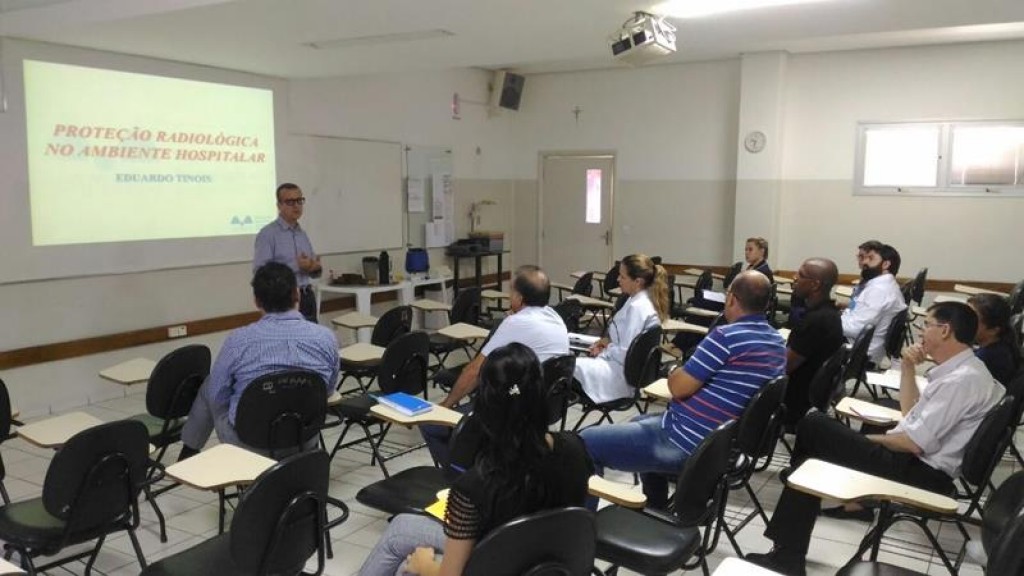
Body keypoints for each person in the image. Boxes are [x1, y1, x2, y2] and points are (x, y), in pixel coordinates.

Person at [747, 301, 1004, 576]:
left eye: (925, 325)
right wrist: (907, 367)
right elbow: (910, 413)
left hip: (920, 473)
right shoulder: (962, 371)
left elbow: (912, 442)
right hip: (915, 461)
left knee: (813, 426)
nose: (920, 331)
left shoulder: (961, 381)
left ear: (944, 330)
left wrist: (865, 440)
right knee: (814, 448)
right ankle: (789, 544)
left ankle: (788, 547)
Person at [358, 343, 594, 576]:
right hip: (547, 563)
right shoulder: (576, 450)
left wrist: (425, 566)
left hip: (501, 560)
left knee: (405, 562)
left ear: (484, 404)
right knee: (402, 526)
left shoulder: (476, 486)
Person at [580, 271, 786, 509]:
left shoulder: (725, 337)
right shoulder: (777, 343)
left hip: (686, 441)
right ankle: (654, 511)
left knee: (585, 442)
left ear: (731, 299)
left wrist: (675, 369)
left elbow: (677, 387)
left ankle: (584, 528)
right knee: (641, 419)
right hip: (723, 445)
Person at [178, 263, 338, 458]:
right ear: (297, 294)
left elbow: (217, 396)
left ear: (256, 301)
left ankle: (189, 452)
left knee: (211, 384)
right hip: (305, 439)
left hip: (249, 444)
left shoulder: (239, 340)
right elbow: (327, 390)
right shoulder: (325, 337)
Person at [422, 265, 569, 467]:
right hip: (545, 406)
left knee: (433, 425)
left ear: (519, 297)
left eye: (511, 291)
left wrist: (446, 405)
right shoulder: (555, 317)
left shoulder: (516, 323)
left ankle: (458, 477)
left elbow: (474, 371)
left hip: (515, 410)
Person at [574, 254, 669, 404]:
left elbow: (626, 353)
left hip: (621, 375)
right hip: (620, 368)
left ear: (637, 281)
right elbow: (626, 340)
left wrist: (606, 349)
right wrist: (607, 342)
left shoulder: (637, 308)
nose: (618, 280)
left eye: (622, 277)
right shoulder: (637, 299)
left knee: (566, 370)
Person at [782, 258, 844, 427]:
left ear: (815, 285)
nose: (794, 277)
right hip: (812, 396)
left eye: (800, 275)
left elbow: (783, 366)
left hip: (794, 401)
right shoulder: (830, 314)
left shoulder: (815, 322)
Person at [253, 183, 322, 322]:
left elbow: (315, 270)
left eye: (299, 201)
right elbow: (261, 274)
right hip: (283, 302)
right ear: (279, 205)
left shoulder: (302, 234)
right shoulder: (268, 234)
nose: (296, 206)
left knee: (310, 340)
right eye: (290, 202)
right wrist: (297, 266)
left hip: (307, 296)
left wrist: (313, 267)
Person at [842, 242, 906, 363]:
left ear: (886, 264)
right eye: (863, 258)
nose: (864, 262)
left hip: (859, 353)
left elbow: (855, 328)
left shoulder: (879, 291)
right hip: (861, 346)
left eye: (870, 258)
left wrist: (831, 321)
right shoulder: (879, 285)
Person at [967, 293, 1021, 386]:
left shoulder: (984, 359)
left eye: (972, 320)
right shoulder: (1002, 344)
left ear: (993, 330)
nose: (963, 322)